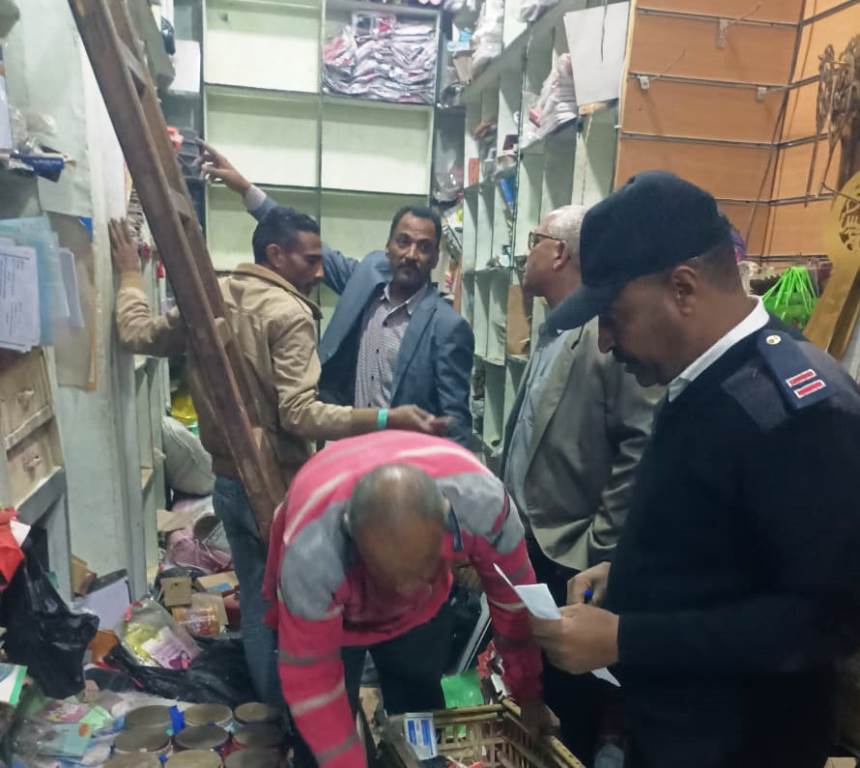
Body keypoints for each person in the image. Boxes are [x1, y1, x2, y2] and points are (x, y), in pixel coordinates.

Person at [530, 171, 860, 768]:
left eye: (614, 316)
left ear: (682, 287)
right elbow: (726, 548)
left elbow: (825, 620)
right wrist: (630, 575)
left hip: (743, 745)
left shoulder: (795, 411)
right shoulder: (700, 380)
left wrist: (626, 637)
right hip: (673, 729)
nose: (604, 342)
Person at [109, 213, 445, 705]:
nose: (318, 271)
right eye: (310, 260)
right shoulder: (288, 313)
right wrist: (384, 418)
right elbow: (299, 413)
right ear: (275, 255)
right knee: (312, 610)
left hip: (228, 482)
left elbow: (137, 333)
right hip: (277, 489)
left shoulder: (211, 297)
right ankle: (304, 721)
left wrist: (128, 276)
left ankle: (271, 718)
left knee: (257, 603)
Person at [262, 431, 554, 768]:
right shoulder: (313, 557)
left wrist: (528, 692)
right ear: (355, 544)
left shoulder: (483, 506)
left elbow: (514, 606)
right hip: (338, 613)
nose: (406, 592)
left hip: (424, 609)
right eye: (391, 580)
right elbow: (313, 685)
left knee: (419, 712)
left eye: (422, 571)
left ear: (446, 525)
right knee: (319, 742)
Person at [501, 204, 660, 761]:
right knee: (534, 687)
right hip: (528, 543)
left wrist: (599, 545)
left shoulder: (607, 335)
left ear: (559, 252)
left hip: (572, 554)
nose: (525, 252)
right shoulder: (552, 328)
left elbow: (641, 440)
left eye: (534, 239)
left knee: (572, 701)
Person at [200, 144, 475, 446]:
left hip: (402, 461)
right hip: (347, 448)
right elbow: (296, 239)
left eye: (424, 247)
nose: (411, 254)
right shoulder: (365, 278)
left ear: (435, 258)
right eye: (403, 241)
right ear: (388, 246)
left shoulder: (448, 327)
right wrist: (244, 188)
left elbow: (456, 422)